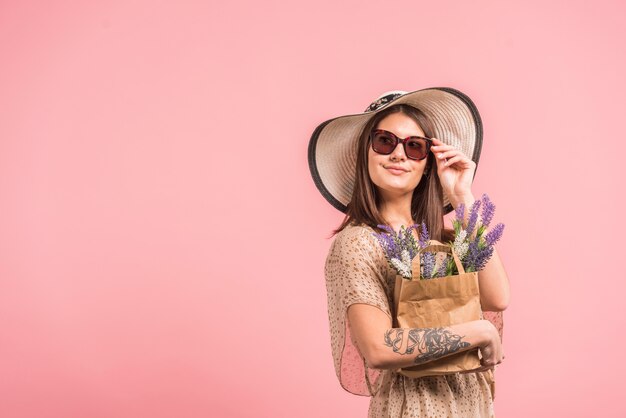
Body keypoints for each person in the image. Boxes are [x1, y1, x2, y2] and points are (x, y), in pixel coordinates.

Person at [308, 88, 510, 417]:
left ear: (428, 163)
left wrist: (461, 197)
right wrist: (480, 331)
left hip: (469, 404)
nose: (399, 155)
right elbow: (378, 349)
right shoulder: (358, 243)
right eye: (385, 142)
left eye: (414, 146)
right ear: (366, 155)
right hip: (413, 407)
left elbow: (496, 297)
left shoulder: (446, 239)